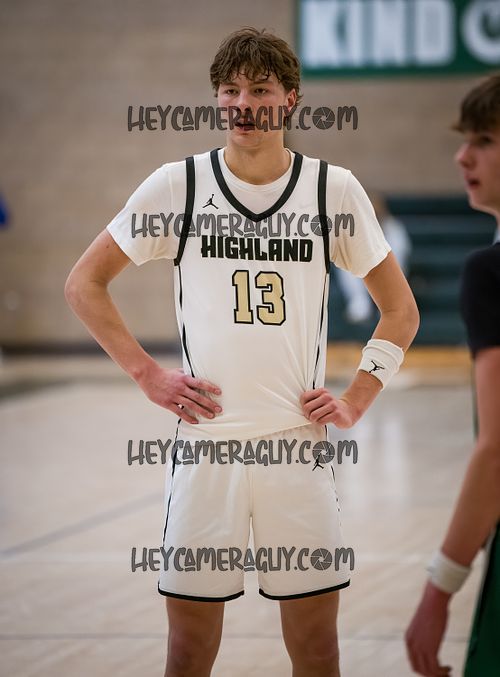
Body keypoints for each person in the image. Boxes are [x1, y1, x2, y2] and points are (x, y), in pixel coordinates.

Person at [65, 28, 419, 677]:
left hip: (296, 446)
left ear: (290, 100)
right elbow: (83, 283)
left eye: (260, 90)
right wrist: (147, 375)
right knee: (188, 650)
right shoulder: (177, 185)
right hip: (207, 447)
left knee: (317, 648)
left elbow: (401, 310)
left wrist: (359, 397)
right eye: (230, 91)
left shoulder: (332, 190)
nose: (243, 105)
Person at [405, 74, 500, 677]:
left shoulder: (490, 272)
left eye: (484, 140)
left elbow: (498, 450)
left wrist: (439, 588)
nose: (462, 156)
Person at [336, 192, 412, 323]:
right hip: (362, 274)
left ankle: (389, 305)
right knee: (345, 263)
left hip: (388, 274)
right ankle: (359, 302)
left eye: (376, 212)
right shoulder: (354, 228)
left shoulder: (394, 229)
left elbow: (399, 259)